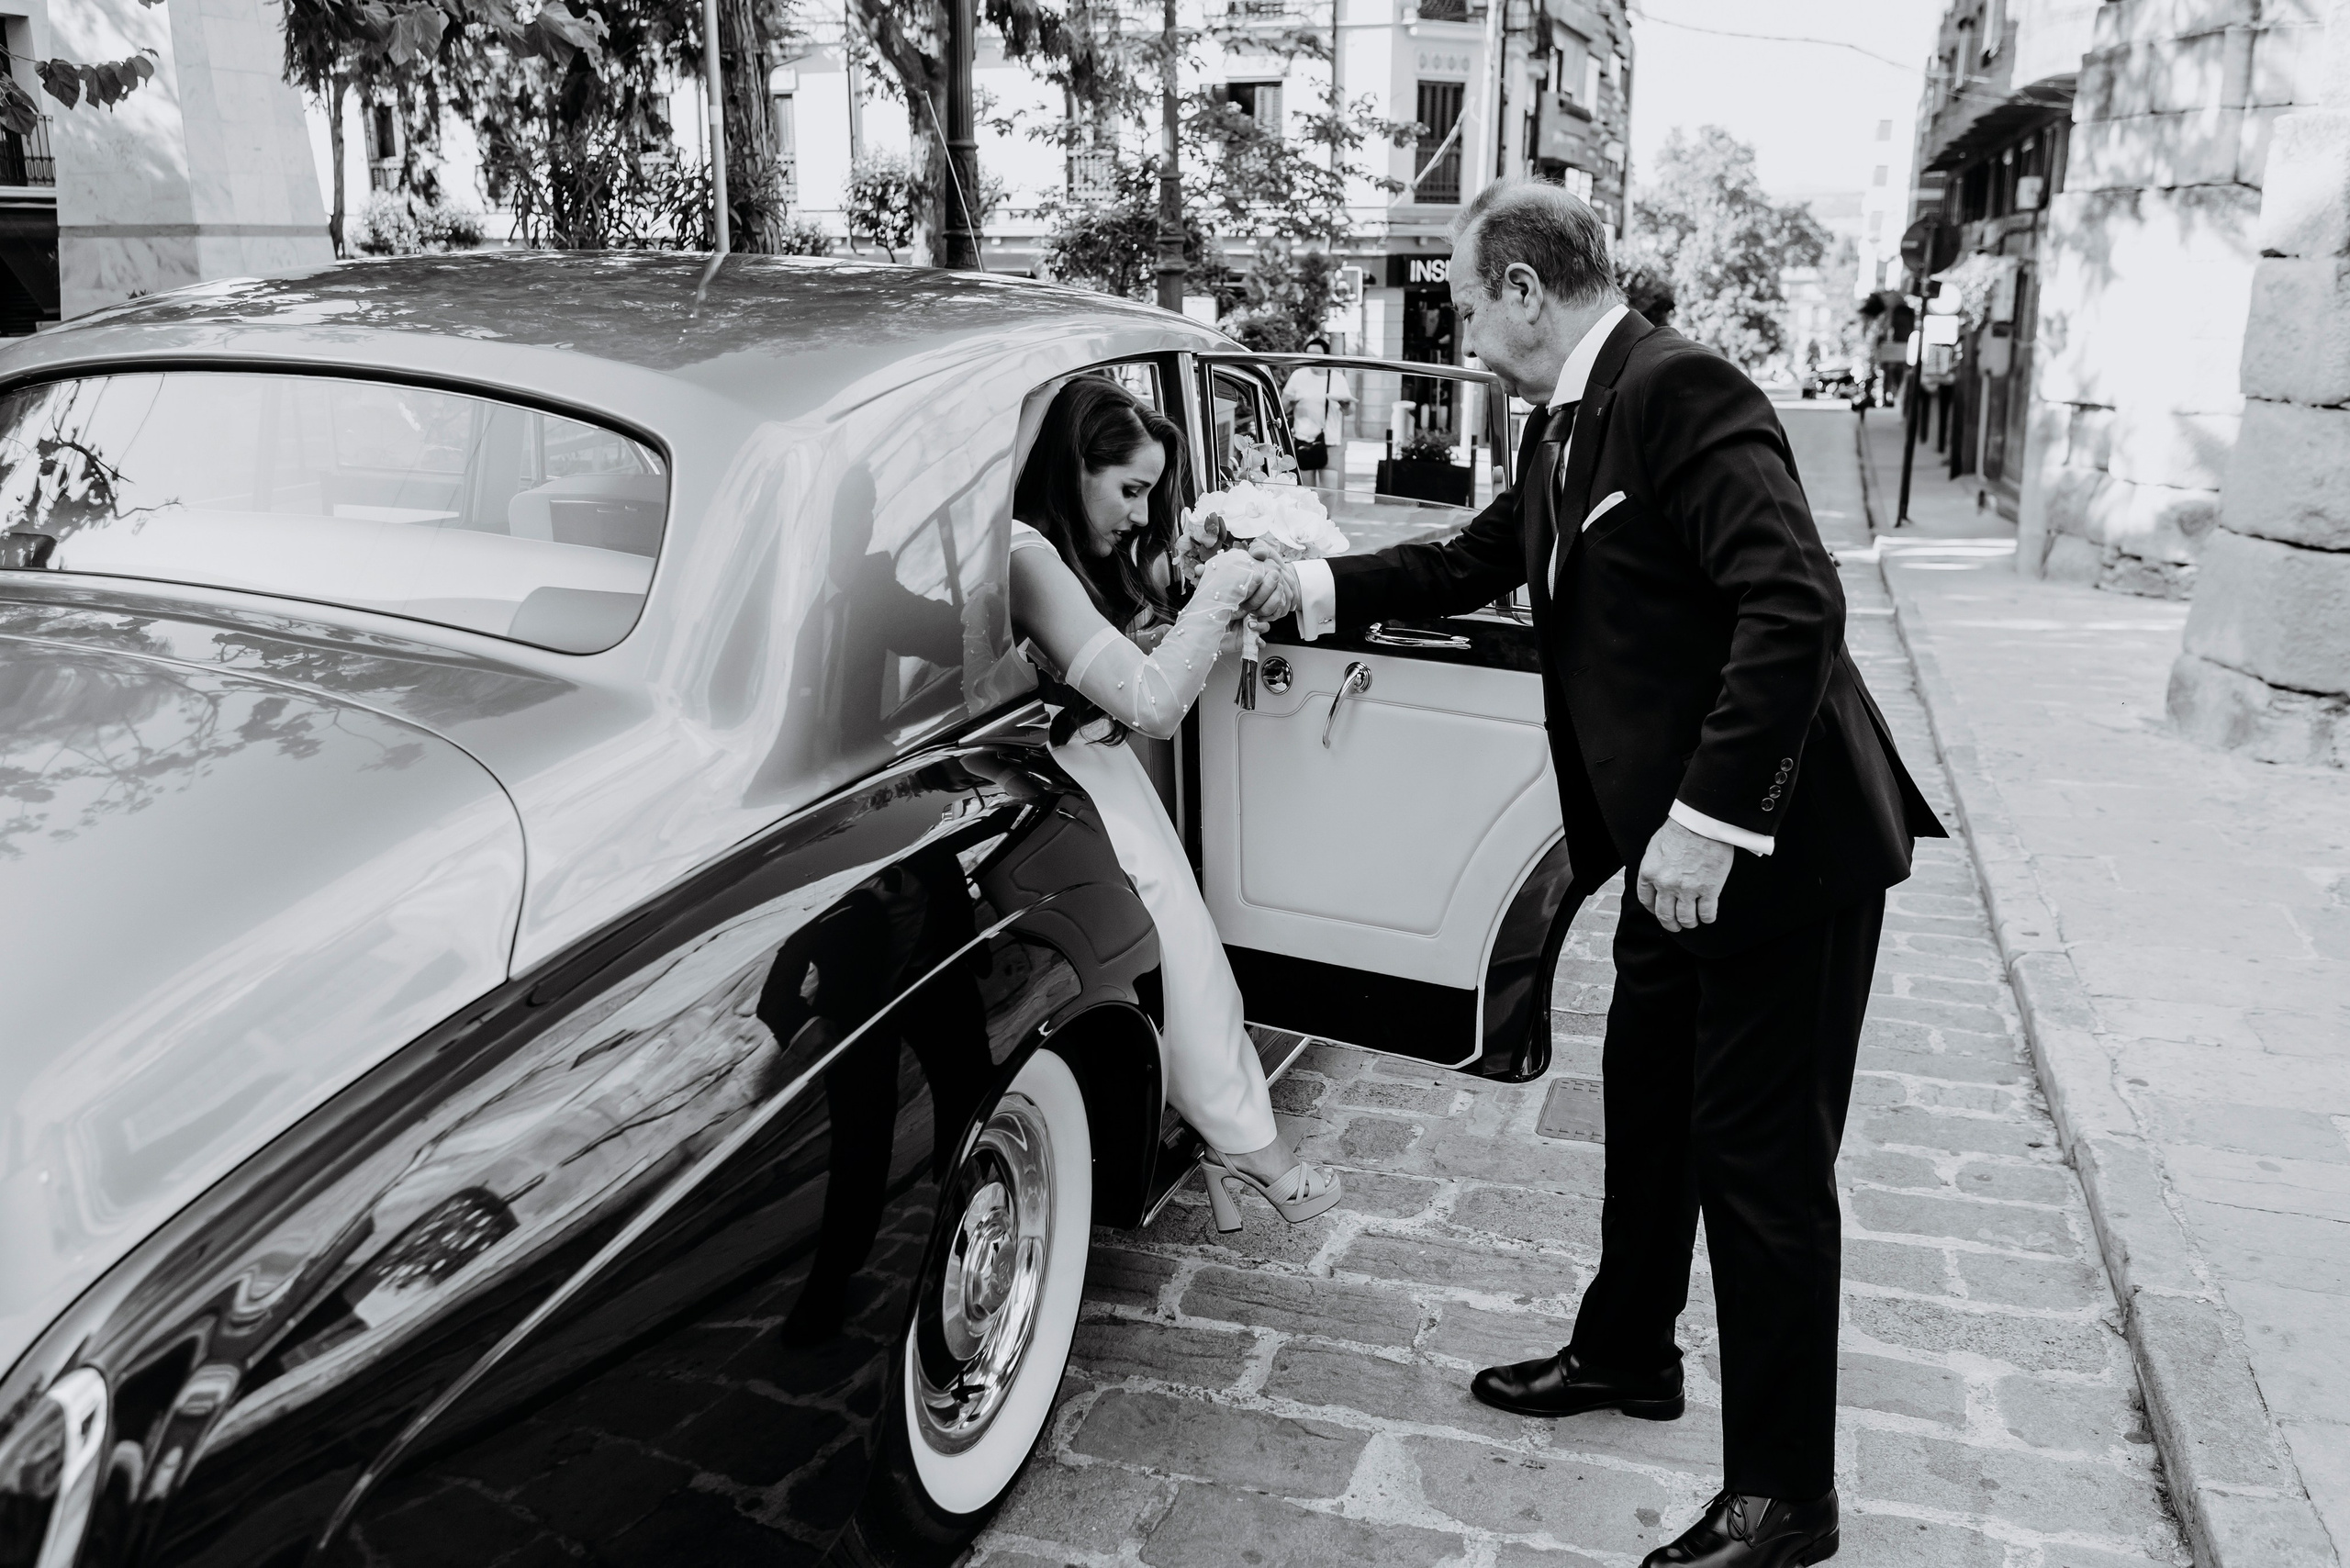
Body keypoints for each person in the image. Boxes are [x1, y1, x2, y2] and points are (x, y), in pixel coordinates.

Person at [1245, 180, 1943, 1568]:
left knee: (1764, 1170)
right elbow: (1483, 558)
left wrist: (1709, 818)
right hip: (1673, 865)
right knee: (1647, 1102)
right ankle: (1631, 1352)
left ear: (1521, 288)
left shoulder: (1679, 391)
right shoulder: (1567, 420)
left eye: (1459, 291)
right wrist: (1315, 595)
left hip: (1776, 858)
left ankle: (1784, 1504)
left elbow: (1794, 599)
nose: (1455, 319)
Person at [1010, 375, 1342, 1230]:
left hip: (1096, 766)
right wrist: (1225, 584)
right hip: (1066, 775)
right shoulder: (1023, 553)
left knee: (1187, 936)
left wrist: (1205, 623)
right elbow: (1151, 703)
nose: (1138, 514)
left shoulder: (1052, 552)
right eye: (1129, 489)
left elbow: (1119, 662)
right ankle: (1245, 1149)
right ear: (1070, 468)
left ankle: (1235, 1140)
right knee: (1182, 942)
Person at [1280, 338, 1352, 491]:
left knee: (1330, 490)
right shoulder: (1298, 376)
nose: (1311, 357)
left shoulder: (1337, 378)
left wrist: (1345, 404)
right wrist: (1290, 403)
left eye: (1316, 353)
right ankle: (1310, 516)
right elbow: (1282, 409)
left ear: (1326, 355)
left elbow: (1348, 412)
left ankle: (1327, 516)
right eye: (1308, 353)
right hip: (1303, 440)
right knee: (1307, 490)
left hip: (1330, 441)